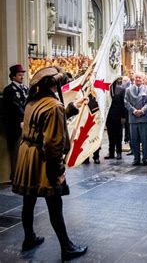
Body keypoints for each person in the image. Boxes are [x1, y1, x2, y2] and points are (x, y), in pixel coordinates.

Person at [11, 66, 87, 260]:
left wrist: (70, 109)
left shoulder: (32, 102)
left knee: (28, 200)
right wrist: (58, 172)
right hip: (43, 159)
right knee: (55, 203)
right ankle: (67, 247)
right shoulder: (54, 106)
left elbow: (42, 123)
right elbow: (53, 144)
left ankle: (29, 238)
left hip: (27, 155)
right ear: (54, 84)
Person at [3, 64, 28, 181]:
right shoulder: (9, 90)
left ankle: (24, 174)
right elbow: (14, 106)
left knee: (26, 151)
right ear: (13, 76)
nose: (22, 77)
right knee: (16, 151)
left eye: (23, 75)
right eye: (19, 75)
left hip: (26, 123)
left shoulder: (25, 89)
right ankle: (15, 176)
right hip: (15, 125)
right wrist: (23, 118)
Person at [124, 72, 147, 166]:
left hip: (145, 118)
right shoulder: (128, 90)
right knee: (134, 140)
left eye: (140, 78)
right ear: (134, 79)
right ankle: (136, 158)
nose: (138, 79)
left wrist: (142, 110)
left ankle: (145, 158)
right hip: (133, 118)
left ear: (143, 79)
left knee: (145, 139)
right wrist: (134, 111)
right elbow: (126, 102)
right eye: (136, 78)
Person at [105, 77, 127, 160]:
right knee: (110, 135)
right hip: (109, 116)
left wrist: (123, 117)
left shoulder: (121, 89)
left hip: (118, 116)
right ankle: (111, 152)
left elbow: (123, 104)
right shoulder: (106, 90)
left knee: (118, 135)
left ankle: (119, 152)